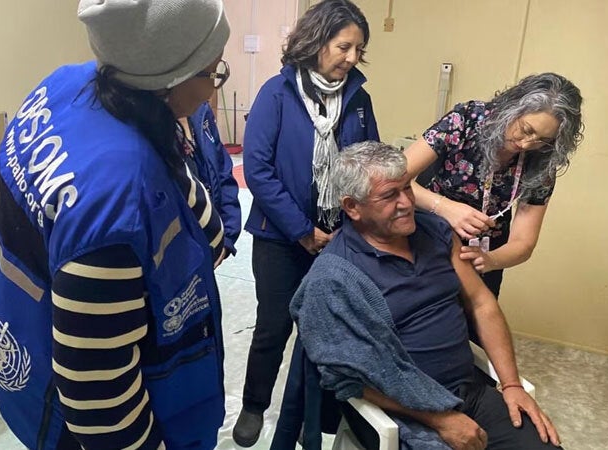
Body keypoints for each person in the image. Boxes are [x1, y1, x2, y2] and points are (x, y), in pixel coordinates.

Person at [0, 1, 231, 449]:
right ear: (169, 80)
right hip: (78, 415)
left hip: (21, 339)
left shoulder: (71, 85)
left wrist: (211, 232)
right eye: (212, 74)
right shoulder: (115, 207)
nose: (213, 90)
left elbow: (173, 176)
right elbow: (97, 394)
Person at [290, 142, 562, 449]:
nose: (406, 202)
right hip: (398, 408)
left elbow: (481, 303)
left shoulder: (437, 232)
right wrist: (441, 419)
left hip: (467, 389)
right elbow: (346, 376)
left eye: (407, 188)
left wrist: (512, 384)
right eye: (389, 195)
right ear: (352, 207)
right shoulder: (333, 277)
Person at [234, 0, 379, 445]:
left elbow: (368, 162)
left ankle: (310, 414)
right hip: (280, 236)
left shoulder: (358, 100)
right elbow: (257, 169)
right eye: (343, 46)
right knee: (274, 324)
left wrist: (350, 225)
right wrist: (301, 230)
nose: (352, 58)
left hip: (338, 237)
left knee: (326, 328)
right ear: (316, 42)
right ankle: (254, 405)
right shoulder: (276, 94)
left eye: (359, 49)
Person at [404, 73, 583, 297]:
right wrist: (444, 207)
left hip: (486, 251)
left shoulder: (543, 160)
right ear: (512, 107)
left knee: (477, 320)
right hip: (428, 237)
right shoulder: (466, 120)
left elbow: (523, 242)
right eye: (526, 129)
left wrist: (489, 260)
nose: (527, 144)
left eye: (542, 140)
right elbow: (394, 179)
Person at [177, 101, 241, 266]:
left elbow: (223, 173)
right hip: (176, 250)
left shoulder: (200, 111)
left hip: (210, 241)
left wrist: (226, 236)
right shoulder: (150, 119)